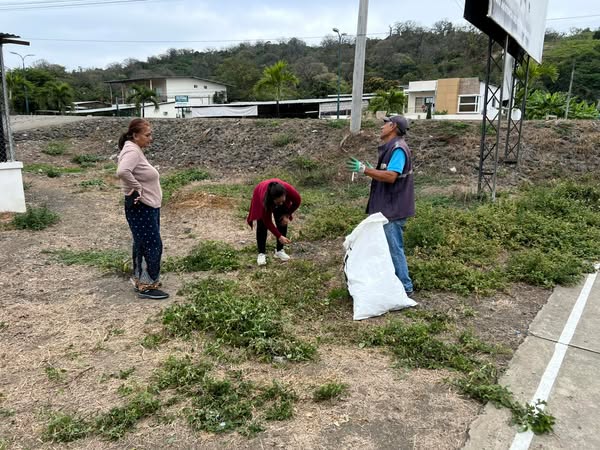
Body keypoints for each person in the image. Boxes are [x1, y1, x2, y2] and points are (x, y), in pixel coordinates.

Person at [346, 115, 415, 295]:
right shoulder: (392, 147)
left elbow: (391, 176)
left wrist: (365, 170)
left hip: (392, 209)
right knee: (385, 248)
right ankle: (392, 284)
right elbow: (388, 172)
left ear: (393, 126)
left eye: (385, 124)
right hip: (387, 207)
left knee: (393, 249)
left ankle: (405, 287)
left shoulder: (398, 148)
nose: (381, 127)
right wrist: (374, 171)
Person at [116, 118, 169, 300]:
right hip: (142, 206)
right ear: (135, 135)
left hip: (146, 206)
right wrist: (137, 187)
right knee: (152, 244)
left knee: (143, 243)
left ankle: (143, 280)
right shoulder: (132, 151)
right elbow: (122, 171)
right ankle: (146, 286)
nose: (150, 138)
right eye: (147, 135)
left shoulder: (133, 149)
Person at [246, 179, 301, 266]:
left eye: (283, 201)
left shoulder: (288, 190)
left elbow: (297, 201)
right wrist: (279, 236)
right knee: (262, 224)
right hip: (260, 191)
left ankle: (279, 250)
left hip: (277, 194)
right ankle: (261, 253)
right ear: (272, 200)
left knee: (282, 219)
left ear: (285, 194)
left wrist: (287, 214)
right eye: (278, 202)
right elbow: (267, 221)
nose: (281, 203)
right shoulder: (265, 199)